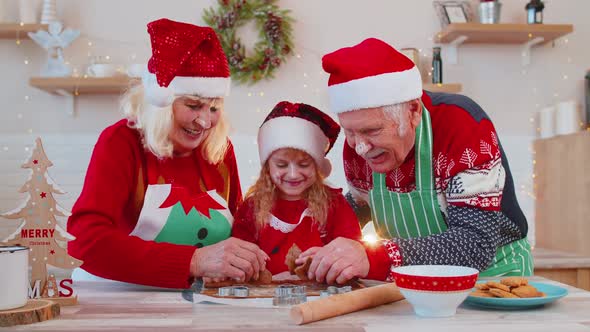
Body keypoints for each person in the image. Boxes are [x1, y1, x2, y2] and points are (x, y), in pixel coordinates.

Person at [297, 38, 533, 284]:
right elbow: (357, 208)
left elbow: (475, 243)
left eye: (372, 131)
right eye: (351, 132)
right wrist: (319, 245)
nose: (361, 148)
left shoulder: (461, 125)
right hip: (414, 283)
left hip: (493, 279)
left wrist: (373, 256)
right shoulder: (357, 146)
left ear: (413, 111)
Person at [67, 18, 268, 289]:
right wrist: (193, 261)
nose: (205, 122)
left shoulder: (219, 149)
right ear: (161, 103)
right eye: (194, 105)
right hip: (119, 298)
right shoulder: (121, 142)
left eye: (214, 107)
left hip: (197, 300)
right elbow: (86, 242)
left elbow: (237, 231)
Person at [231, 101, 362, 275]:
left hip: (321, 296)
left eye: (303, 164)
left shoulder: (334, 204)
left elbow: (351, 251)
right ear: (267, 168)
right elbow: (238, 254)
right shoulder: (251, 208)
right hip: (265, 297)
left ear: (317, 166)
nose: (293, 174)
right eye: (282, 164)